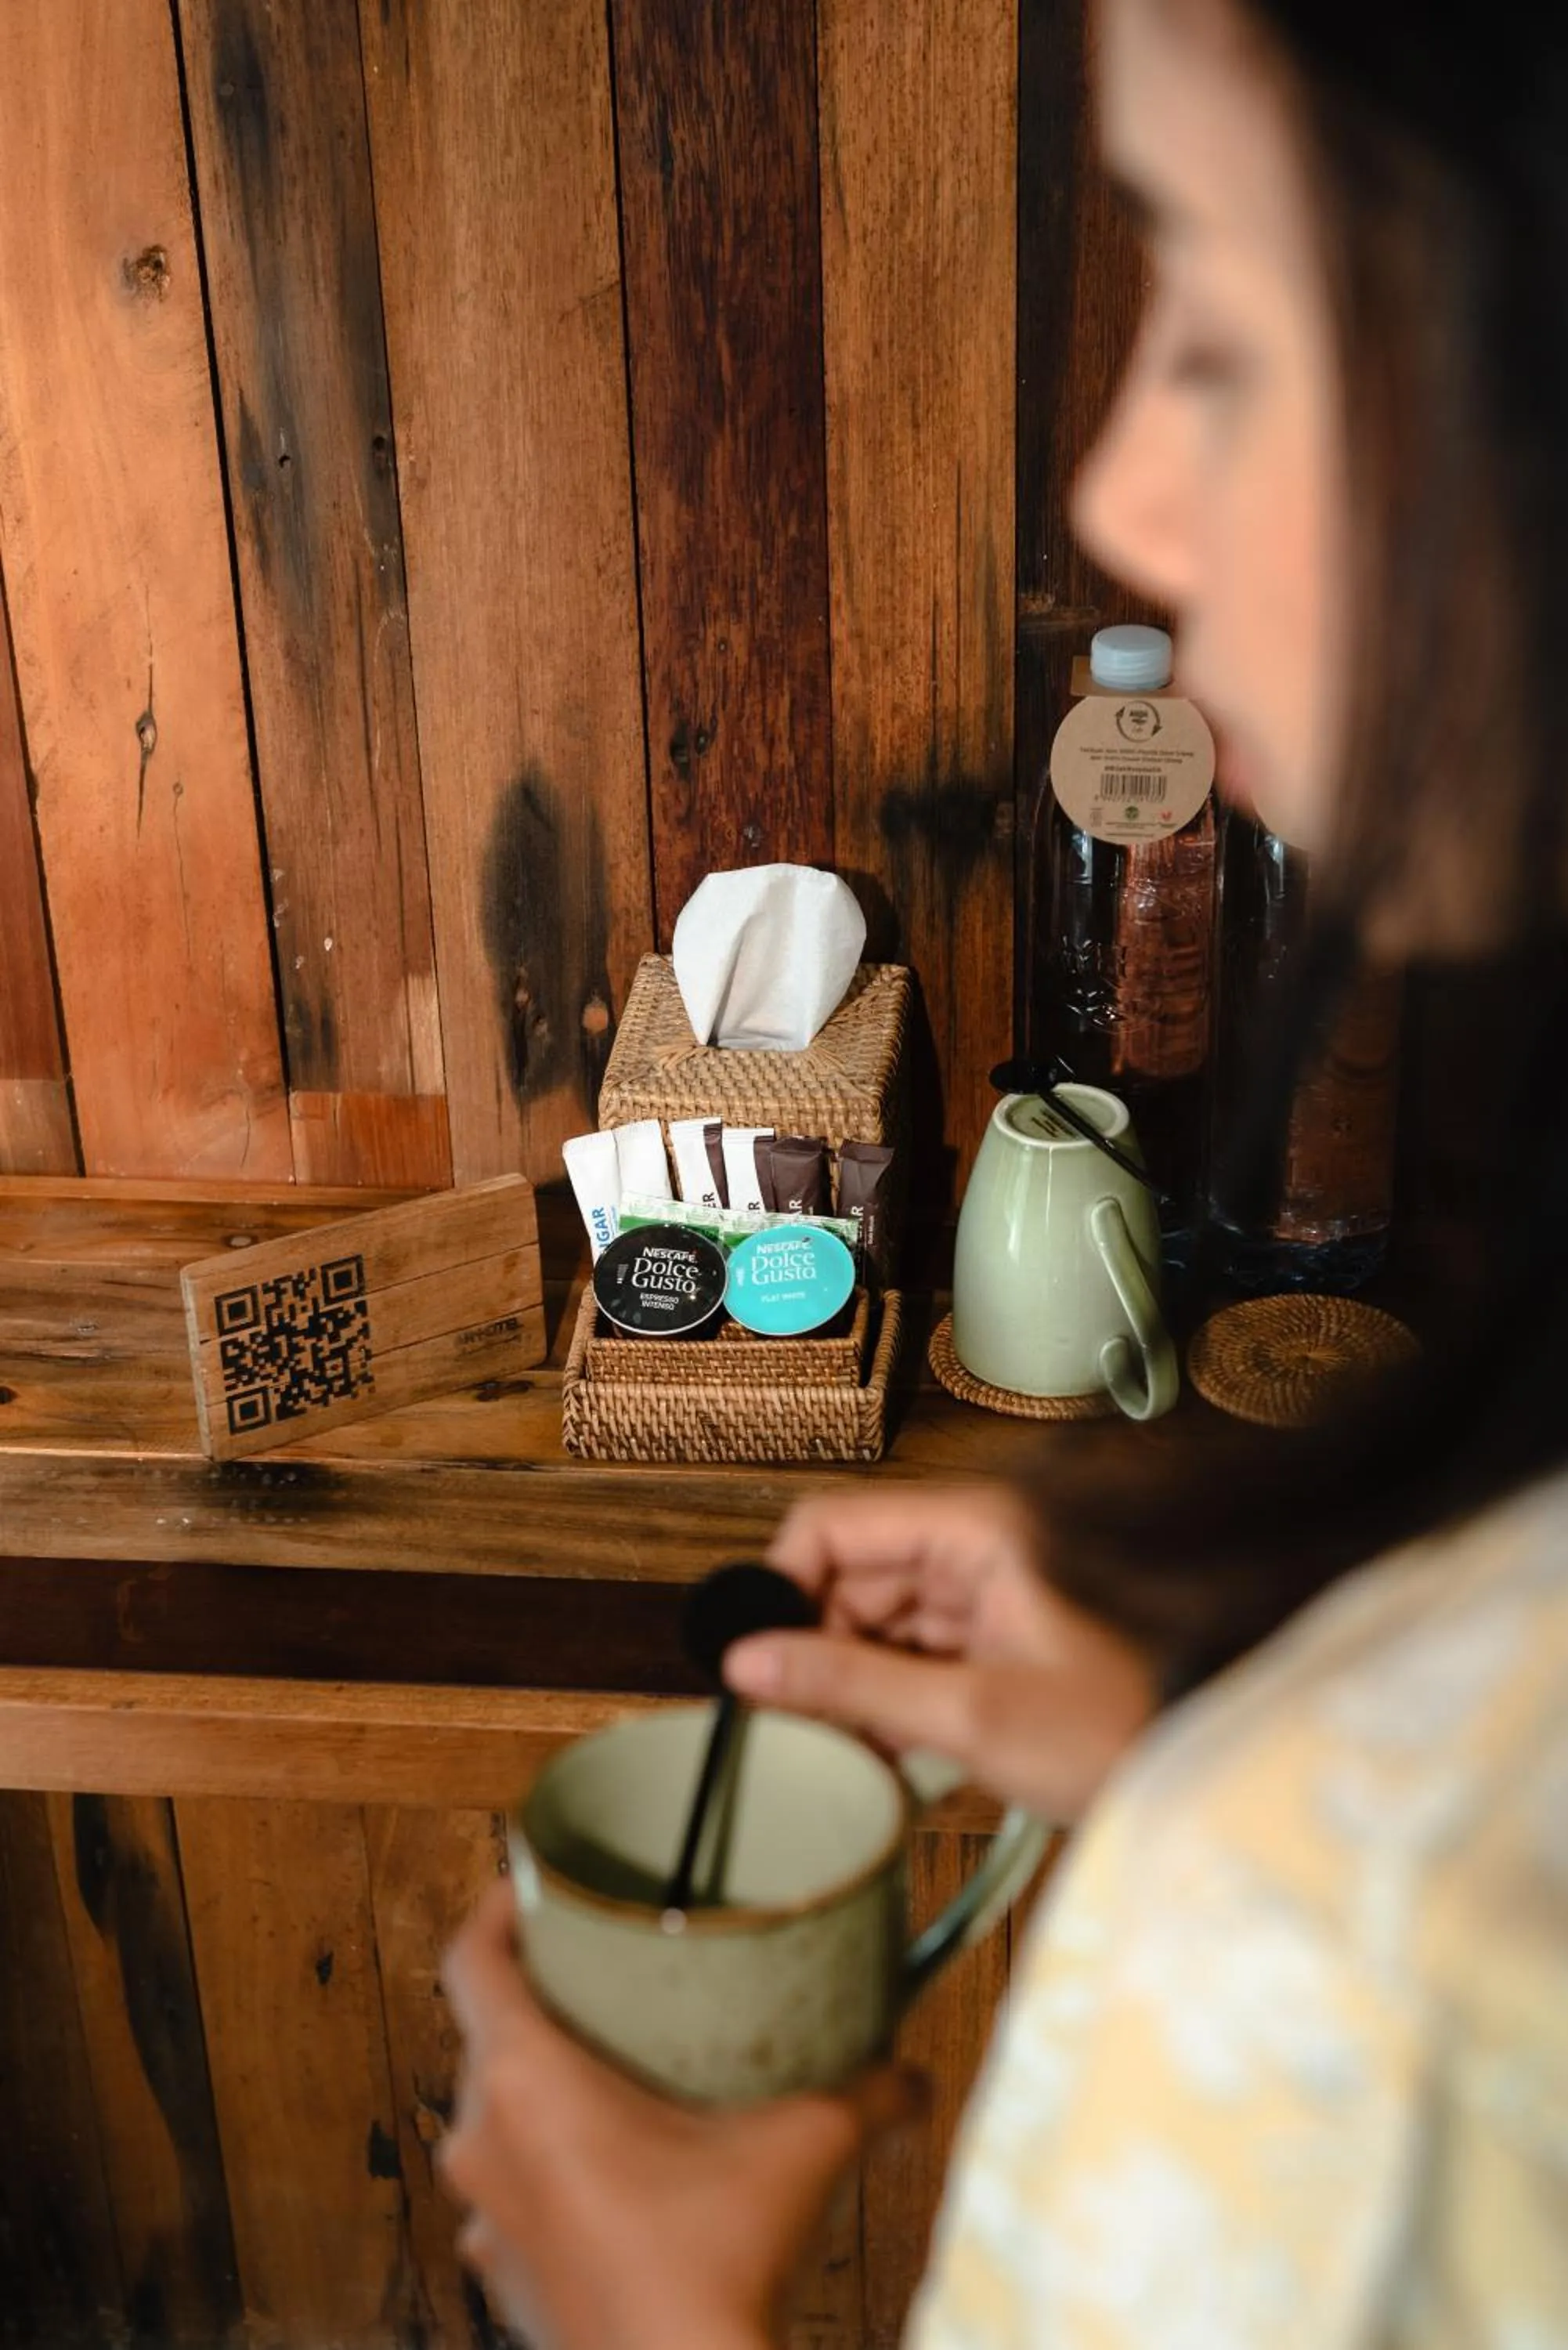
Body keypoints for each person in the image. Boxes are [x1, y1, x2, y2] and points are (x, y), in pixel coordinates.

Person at [439, 0, 1568, 2339]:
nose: (1121, 498)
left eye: (1236, 332)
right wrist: (1191, 1738)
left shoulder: (1362, 1967)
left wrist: (652, 2321)